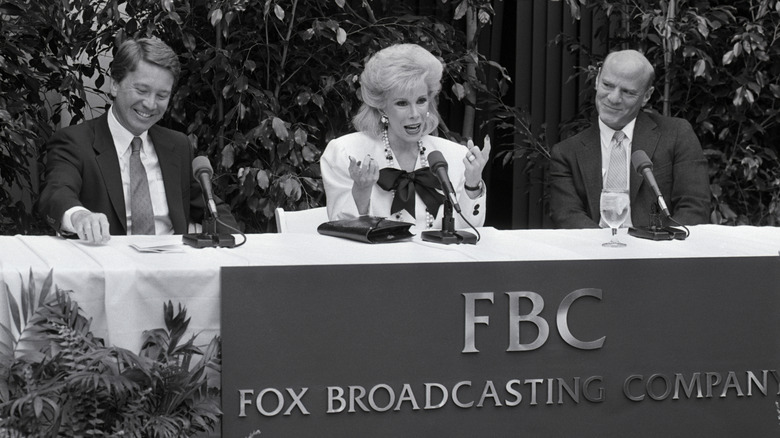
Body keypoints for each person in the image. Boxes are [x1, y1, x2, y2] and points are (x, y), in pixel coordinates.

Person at [39, 37, 236, 244]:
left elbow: (213, 209)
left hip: (174, 267)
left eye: (162, 96)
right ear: (115, 85)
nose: (150, 104)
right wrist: (80, 216)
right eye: (142, 91)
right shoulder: (75, 142)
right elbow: (56, 193)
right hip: (109, 267)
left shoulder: (177, 146)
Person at [320, 44, 490, 231]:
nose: (415, 113)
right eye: (402, 103)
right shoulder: (346, 153)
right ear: (381, 106)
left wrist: (473, 184)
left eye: (421, 101)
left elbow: (470, 230)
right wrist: (361, 190)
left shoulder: (455, 156)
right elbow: (340, 230)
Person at [548, 49, 710, 229]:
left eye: (628, 92)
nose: (613, 98)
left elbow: (694, 208)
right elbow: (568, 216)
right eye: (607, 85)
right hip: (596, 251)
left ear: (646, 96)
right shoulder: (566, 153)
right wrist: (606, 252)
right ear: (596, 80)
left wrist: (659, 252)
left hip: (660, 250)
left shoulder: (676, 135)